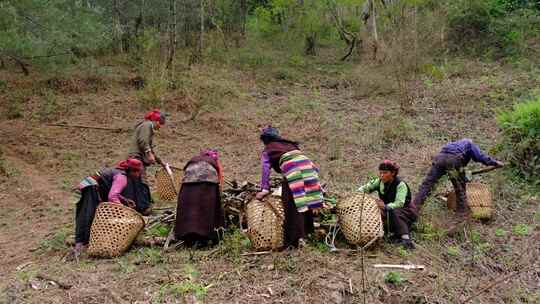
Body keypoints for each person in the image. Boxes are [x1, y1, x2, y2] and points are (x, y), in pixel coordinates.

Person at [255, 126, 324, 248]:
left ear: (265, 140)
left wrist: (264, 189)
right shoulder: (289, 145)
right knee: (305, 199)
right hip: (308, 167)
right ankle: (307, 234)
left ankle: (294, 241)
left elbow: (265, 169)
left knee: (291, 203)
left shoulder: (268, 150)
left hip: (293, 169)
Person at [73, 158, 150, 254]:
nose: (139, 175)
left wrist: (124, 200)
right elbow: (112, 196)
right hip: (90, 187)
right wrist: (122, 212)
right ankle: (81, 244)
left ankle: (83, 241)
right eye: (138, 172)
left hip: (88, 185)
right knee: (88, 214)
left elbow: (114, 192)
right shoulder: (122, 177)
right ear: (132, 171)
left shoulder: (120, 172)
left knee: (85, 213)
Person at [412, 139, 504, 215]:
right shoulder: (470, 144)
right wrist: (495, 162)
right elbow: (479, 157)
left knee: (427, 185)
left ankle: (414, 208)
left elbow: (448, 160)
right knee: (460, 188)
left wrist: (462, 175)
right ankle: (462, 214)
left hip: (439, 159)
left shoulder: (452, 144)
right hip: (454, 160)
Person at [358, 160, 415, 249]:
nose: (382, 175)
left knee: (394, 211)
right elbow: (365, 188)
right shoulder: (379, 181)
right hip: (388, 209)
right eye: (380, 173)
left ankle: (405, 238)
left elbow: (399, 203)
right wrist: (359, 194)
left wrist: (385, 206)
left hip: (406, 210)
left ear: (393, 173)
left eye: (385, 173)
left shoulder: (400, 184)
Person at [173, 150, 225, 246]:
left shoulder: (194, 159)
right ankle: (206, 235)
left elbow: (185, 170)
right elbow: (220, 177)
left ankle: (187, 235)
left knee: (189, 207)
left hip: (188, 184)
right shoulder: (213, 161)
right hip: (208, 185)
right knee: (207, 208)